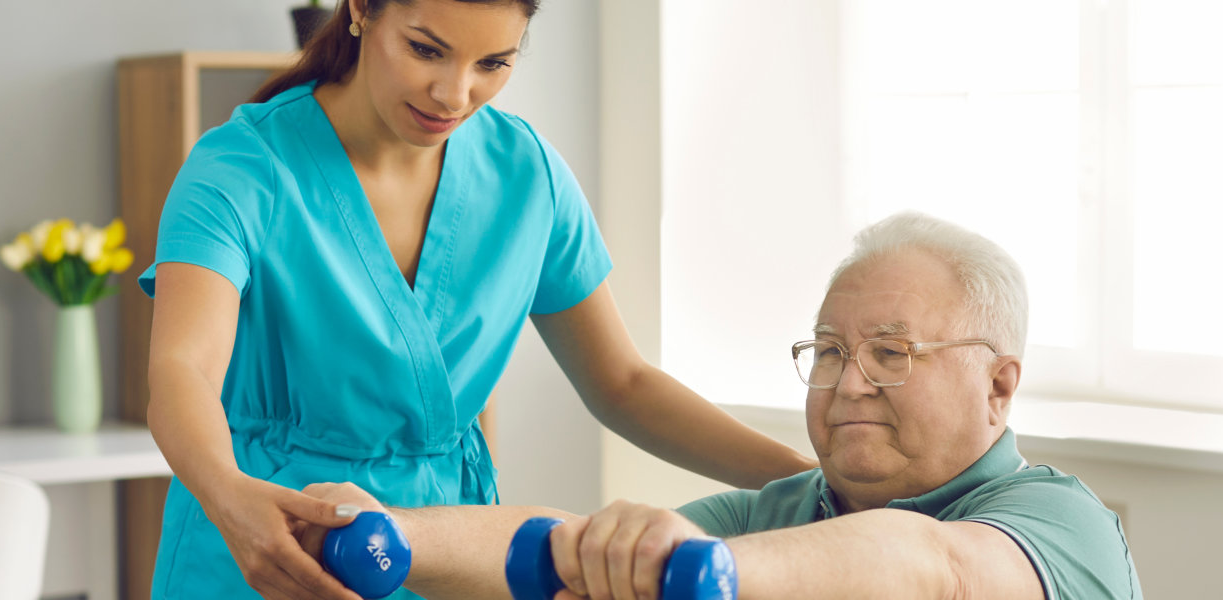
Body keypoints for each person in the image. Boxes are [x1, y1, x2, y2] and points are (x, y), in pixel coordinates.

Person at [138, 0, 816, 597]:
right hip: (271, 545)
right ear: (361, 9)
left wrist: (810, 486)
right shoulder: (241, 168)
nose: (453, 94)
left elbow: (625, 383)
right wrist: (228, 499)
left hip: (454, 554)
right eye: (426, 49)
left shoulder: (527, 175)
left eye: (493, 62)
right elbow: (183, 369)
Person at [303, 212, 1143, 600]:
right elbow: (569, 549)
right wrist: (397, 535)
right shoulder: (769, 513)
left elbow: (933, 569)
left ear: (999, 385)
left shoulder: (1057, 524)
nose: (849, 383)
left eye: (892, 354)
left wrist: (721, 571)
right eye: (830, 353)